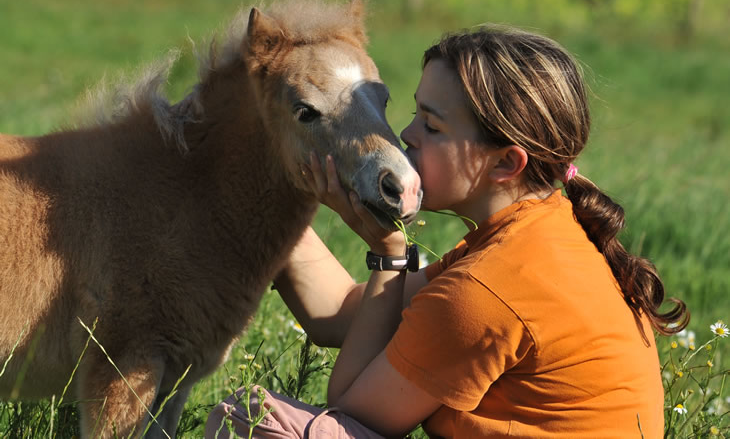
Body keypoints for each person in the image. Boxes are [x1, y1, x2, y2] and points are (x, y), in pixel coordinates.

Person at [205, 25, 688, 438]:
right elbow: (338, 315)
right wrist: (274, 196)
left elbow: (350, 410)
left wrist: (391, 254)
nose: (407, 135)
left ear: (505, 161)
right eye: (414, 112)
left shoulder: (488, 290)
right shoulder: (535, 238)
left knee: (252, 420)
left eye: (432, 126)